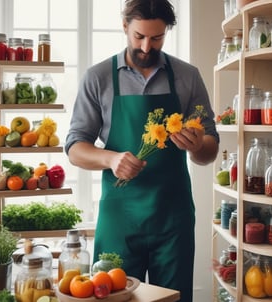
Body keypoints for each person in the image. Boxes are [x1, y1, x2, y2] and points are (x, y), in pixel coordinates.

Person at [65, 0, 219, 300]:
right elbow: (75, 147)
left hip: (172, 217)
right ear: (125, 26)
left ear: (166, 32)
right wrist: (110, 158)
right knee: (111, 295)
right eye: (139, 36)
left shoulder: (187, 76)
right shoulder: (98, 77)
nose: (147, 46)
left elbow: (209, 150)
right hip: (119, 218)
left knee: (171, 297)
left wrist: (198, 145)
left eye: (157, 37)